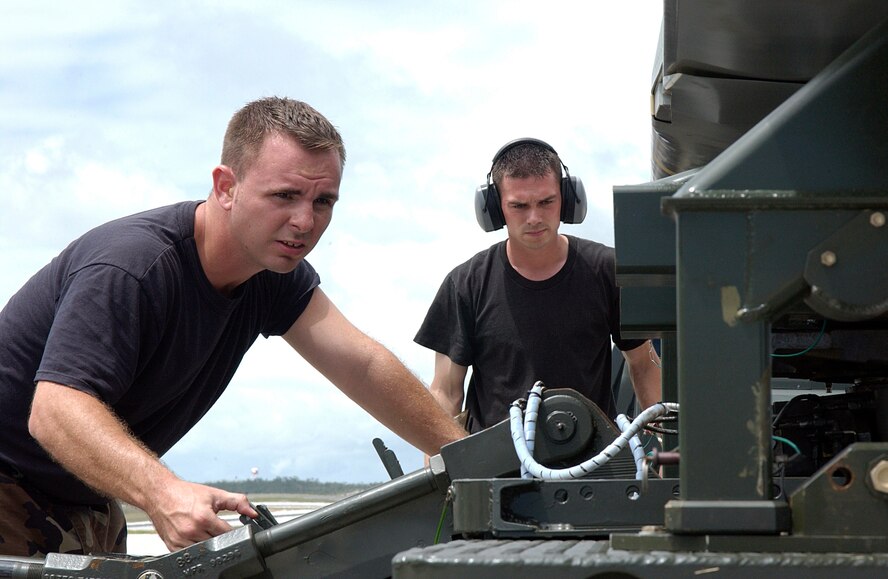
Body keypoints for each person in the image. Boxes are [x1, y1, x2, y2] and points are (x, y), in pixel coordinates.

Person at [0, 97, 467, 557]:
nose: (305, 221)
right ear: (226, 187)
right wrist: (165, 493)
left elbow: (361, 365)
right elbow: (55, 407)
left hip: (87, 496)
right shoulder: (133, 267)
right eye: (284, 195)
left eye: (323, 201)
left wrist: (473, 459)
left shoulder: (273, 274)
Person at [414, 138, 660, 433]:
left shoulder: (608, 271)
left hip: (596, 468)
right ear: (494, 209)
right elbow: (445, 392)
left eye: (546, 202)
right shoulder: (465, 285)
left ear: (567, 199)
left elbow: (644, 366)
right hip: (496, 474)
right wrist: (442, 473)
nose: (534, 218)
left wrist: (664, 453)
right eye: (519, 206)